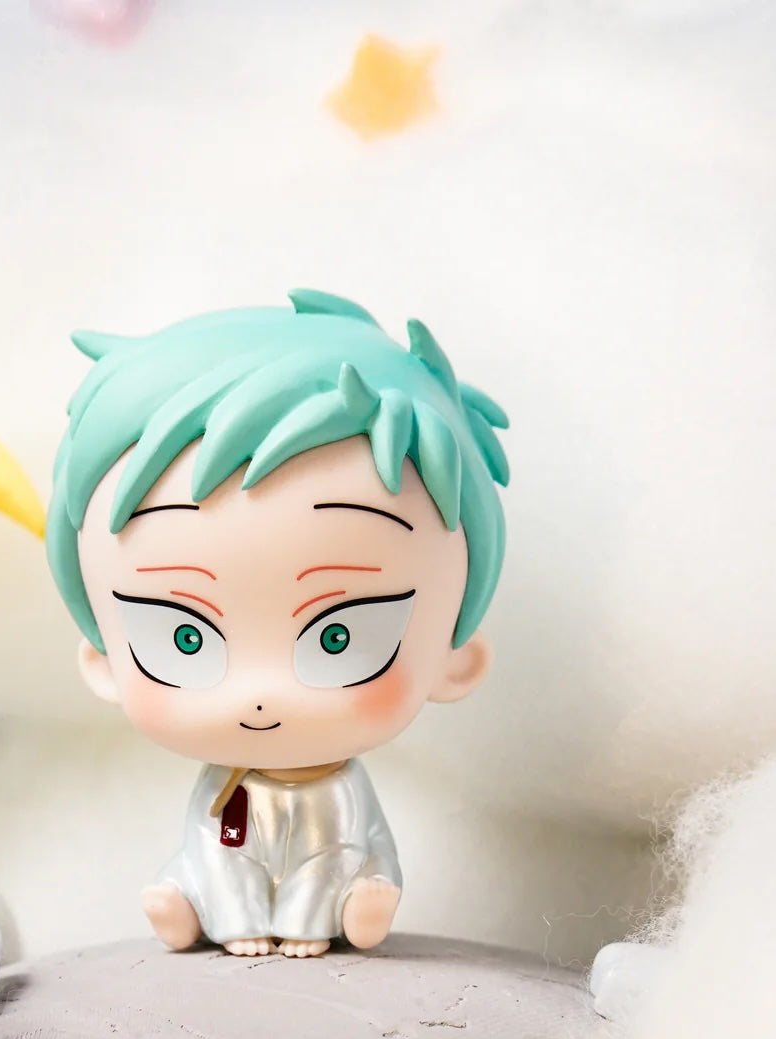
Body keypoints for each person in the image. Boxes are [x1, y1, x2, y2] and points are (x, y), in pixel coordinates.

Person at [47, 289, 508, 956]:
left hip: (337, 860)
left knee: (349, 863)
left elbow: (355, 841)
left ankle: (333, 909)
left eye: (338, 636)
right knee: (208, 858)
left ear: (455, 661)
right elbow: (216, 842)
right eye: (183, 638)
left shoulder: (342, 791)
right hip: (223, 858)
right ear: (103, 661)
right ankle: (202, 905)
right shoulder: (221, 791)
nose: (260, 694)